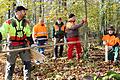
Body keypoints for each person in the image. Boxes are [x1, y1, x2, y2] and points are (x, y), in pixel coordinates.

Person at [0, 6, 32, 80]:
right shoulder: (9, 22)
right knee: (10, 65)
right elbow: (2, 32)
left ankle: (27, 78)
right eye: (23, 11)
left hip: (24, 46)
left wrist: (32, 43)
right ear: (18, 12)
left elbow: (29, 34)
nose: (25, 12)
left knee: (27, 63)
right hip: (12, 46)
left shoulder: (26, 23)